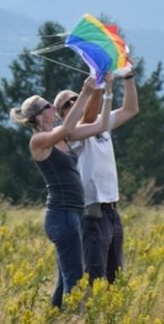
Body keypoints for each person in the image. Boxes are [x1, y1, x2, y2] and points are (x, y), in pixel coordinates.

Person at [10, 75, 112, 309]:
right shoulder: (39, 141)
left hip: (72, 215)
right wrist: (86, 92)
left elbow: (101, 125)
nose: (54, 107)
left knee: (63, 279)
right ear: (37, 116)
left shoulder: (61, 135)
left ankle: (53, 320)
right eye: (48, 106)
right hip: (61, 215)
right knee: (74, 281)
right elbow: (67, 126)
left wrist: (107, 92)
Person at [54, 67, 139, 284]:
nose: (73, 103)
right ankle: (85, 315)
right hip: (92, 211)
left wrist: (127, 76)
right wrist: (98, 87)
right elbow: (88, 115)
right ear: (61, 114)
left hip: (112, 208)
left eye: (74, 98)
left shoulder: (100, 124)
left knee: (115, 273)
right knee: (94, 273)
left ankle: (107, 314)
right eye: (66, 104)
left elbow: (130, 109)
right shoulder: (70, 135)